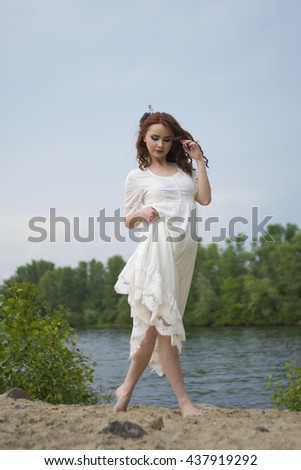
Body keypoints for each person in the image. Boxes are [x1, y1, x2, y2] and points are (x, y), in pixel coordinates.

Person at [113, 109, 211, 417]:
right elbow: (126, 220)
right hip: (158, 250)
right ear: (143, 138)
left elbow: (205, 199)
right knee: (165, 324)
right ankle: (185, 403)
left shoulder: (184, 173)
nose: (161, 145)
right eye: (155, 138)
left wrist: (199, 160)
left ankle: (126, 388)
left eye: (167, 140)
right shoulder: (137, 177)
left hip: (185, 251)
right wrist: (141, 214)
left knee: (156, 327)